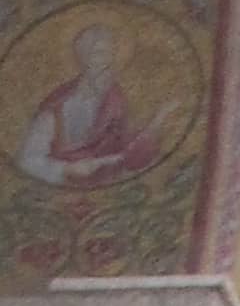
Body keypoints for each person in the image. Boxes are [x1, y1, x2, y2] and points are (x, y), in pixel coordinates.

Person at [16, 21, 171, 192]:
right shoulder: (58, 105)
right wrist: (67, 169)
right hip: (59, 190)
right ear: (83, 58)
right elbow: (28, 162)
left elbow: (126, 151)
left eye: (110, 54)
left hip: (106, 190)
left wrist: (157, 122)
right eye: (99, 54)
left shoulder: (115, 101)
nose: (107, 62)